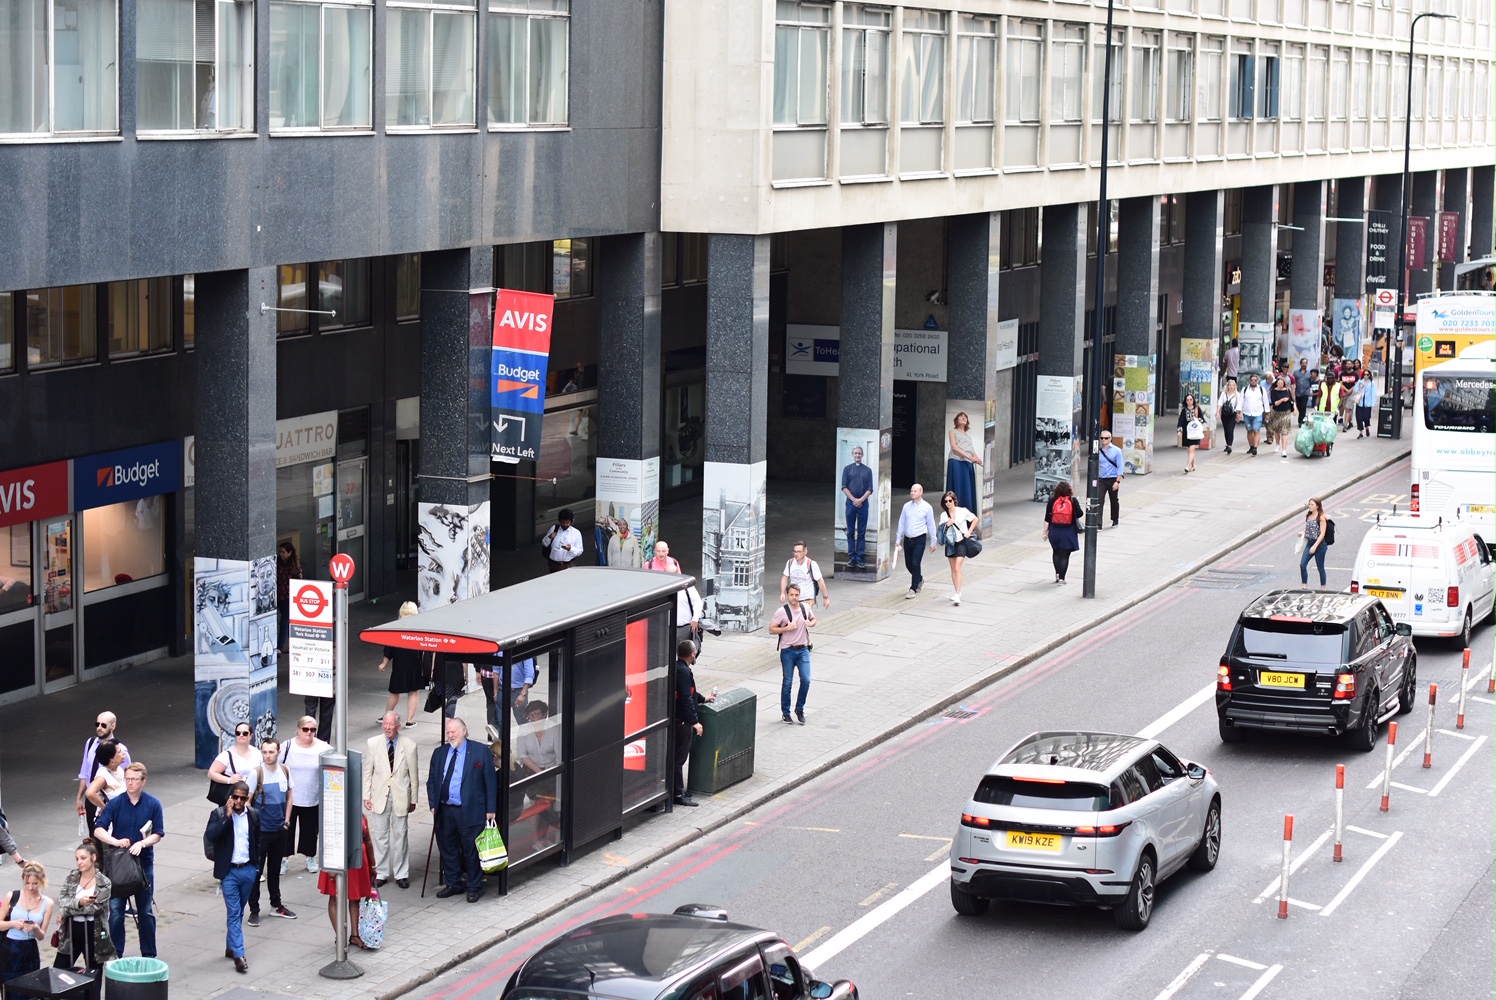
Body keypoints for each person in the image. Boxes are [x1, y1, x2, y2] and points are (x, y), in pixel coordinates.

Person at [91, 762, 163, 958]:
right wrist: (114, 841)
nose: (130, 783)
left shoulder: (153, 804)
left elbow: (158, 833)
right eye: (127, 779)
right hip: (119, 863)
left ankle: (149, 954)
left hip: (143, 862)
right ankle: (116, 954)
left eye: (134, 779)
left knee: (145, 911)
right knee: (115, 911)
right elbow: (99, 829)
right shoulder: (116, 803)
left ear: (143, 781)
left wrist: (143, 843)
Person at [427, 718, 497, 903]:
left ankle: (474, 886)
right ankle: (453, 883)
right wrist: (433, 804)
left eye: (454, 732)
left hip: (470, 810)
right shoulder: (440, 753)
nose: (450, 736)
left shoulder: (480, 751)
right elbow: (432, 781)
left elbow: (490, 781)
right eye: (448, 733)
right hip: (445, 809)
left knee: (471, 849)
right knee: (447, 848)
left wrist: (491, 808)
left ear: (464, 731)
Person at [205, 783, 259, 973]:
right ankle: (239, 955)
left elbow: (256, 841)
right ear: (230, 796)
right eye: (235, 797)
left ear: (247, 799)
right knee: (234, 913)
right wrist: (227, 816)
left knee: (239, 911)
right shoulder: (219, 814)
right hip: (229, 872)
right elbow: (211, 836)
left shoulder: (252, 815)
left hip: (248, 870)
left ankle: (231, 947)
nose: (238, 801)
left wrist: (255, 866)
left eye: (242, 798)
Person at [364, 712, 419, 890]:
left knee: (401, 836)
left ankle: (402, 874)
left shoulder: (409, 745)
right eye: (385, 724)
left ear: (398, 726)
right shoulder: (373, 743)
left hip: (400, 797)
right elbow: (368, 772)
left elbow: (414, 776)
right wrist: (367, 796)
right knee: (380, 836)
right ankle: (381, 873)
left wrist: (414, 799)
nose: (388, 727)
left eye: (391, 724)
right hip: (380, 796)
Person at [245, 741, 296, 923]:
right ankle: (254, 910)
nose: (268, 755)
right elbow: (247, 801)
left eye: (271, 752)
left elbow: (290, 797)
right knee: (256, 872)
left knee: (275, 870)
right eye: (265, 752)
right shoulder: (256, 773)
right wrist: (252, 826)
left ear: (278, 752)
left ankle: (276, 905)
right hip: (261, 832)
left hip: (279, 829)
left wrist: (287, 821)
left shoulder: (285, 771)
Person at [54, 841, 114, 973]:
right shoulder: (72, 877)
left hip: (95, 931)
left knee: (94, 973)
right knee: (58, 971)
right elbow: (62, 900)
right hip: (72, 929)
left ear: (93, 858)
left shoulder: (104, 882)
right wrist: (79, 902)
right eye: (77, 859)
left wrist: (66, 911)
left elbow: (95, 908)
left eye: (83, 858)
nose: (79, 862)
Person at [283, 716, 331, 875]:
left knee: (310, 830)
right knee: (286, 829)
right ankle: (284, 858)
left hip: (312, 796)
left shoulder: (322, 747)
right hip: (290, 797)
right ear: (298, 729)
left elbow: (333, 766)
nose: (309, 733)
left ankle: (310, 857)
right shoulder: (288, 746)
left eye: (312, 730)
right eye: (305, 729)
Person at [318, 818, 376, 950]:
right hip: (337, 857)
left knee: (355, 897)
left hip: (356, 858)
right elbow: (327, 840)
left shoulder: (361, 816)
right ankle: (340, 936)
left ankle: (354, 935)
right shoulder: (335, 812)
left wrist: (373, 865)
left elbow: (367, 841)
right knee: (335, 897)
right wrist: (330, 867)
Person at [672, 641, 716, 807]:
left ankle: (678, 790)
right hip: (681, 722)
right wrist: (694, 722)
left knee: (678, 757)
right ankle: (678, 793)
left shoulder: (680, 668)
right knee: (679, 758)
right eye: (695, 651)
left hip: (680, 720)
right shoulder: (683, 672)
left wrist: (703, 698)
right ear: (692, 654)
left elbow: (689, 692)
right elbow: (686, 698)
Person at [769, 585, 815, 725]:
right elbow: (771, 629)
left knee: (806, 679)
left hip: (803, 650)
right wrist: (786, 628)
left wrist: (811, 623)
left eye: (796, 594)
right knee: (788, 682)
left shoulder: (805, 608)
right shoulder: (782, 612)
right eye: (792, 595)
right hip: (788, 651)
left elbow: (814, 619)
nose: (794, 597)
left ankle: (799, 709)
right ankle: (786, 713)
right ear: (788, 596)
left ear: (800, 595)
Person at [0, 862, 53, 982]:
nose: (31, 887)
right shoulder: (12, 896)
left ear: (41, 881)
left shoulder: (48, 903)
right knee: (8, 986)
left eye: (35, 883)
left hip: (29, 949)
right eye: (27, 883)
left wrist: (35, 928)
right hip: (9, 947)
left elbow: (41, 936)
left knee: (29, 987)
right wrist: (13, 923)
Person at [377, 602, 426, 727]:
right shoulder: (419, 628)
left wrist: (384, 663)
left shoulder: (396, 627)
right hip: (414, 664)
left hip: (399, 664)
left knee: (394, 692)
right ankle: (409, 721)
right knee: (413, 692)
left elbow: (389, 647)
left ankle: (386, 716)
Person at [76, 712, 129, 826]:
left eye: (103, 725)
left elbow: (128, 776)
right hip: (92, 799)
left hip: (111, 799)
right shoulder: (90, 743)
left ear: (113, 726)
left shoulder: (120, 751)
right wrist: (79, 797)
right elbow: (84, 772)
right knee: (93, 833)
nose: (99, 728)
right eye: (97, 724)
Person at [894, 484, 939, 598]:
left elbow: (931, 525)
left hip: (920, 538)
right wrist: (898, 538)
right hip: (908, 538)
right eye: (911, 491)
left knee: (915, 562)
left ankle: (913, 588)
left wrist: (934, 541)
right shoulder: (906, 506)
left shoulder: (927, 507)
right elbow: (902, 522)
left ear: (921, 492)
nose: (912, 493)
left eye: (915, 491)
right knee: (908, 564)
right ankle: (919, 578)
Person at [938, 490, 977, 607]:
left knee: (957, 567)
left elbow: (975, 519)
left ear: (954, 501)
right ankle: (957, 591)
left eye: (950, 501)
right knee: (953, 569)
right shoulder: (944, 515)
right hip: (950, 544)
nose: (948, 503)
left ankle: (957, 593)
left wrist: (969, 532)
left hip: (961, 542)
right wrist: (947, 524)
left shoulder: (962, 511)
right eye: (946, 502)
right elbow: (941, 531)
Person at [1044, 480, 1084, 585]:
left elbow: (1047, 518)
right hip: (1068, 531)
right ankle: (1062, 578)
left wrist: (1045, 532)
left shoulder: (1052, 501)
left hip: (1054, 530)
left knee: (1056, 552)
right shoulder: (1072, 500)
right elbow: (1080, 514)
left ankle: (1057, 574)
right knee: (1065, 555)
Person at [840, 446, 874, 569]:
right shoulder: (847, 469)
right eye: (855, 453)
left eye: (859, 453)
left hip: (863, 504)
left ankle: (859, 557)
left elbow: (870, 489)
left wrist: (861, 500)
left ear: (862, 455)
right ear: (852, 454)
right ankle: (852, 557)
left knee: (861, 532)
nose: (857, 455)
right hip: (851, 504)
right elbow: (844, 487)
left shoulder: (868, 470)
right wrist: (854, 499)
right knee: (850, 531)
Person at [83, 740, 126, 834]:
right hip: (111, 828)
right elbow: (90, 793)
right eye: (119, 752)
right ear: (112, 761)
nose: (123, 753)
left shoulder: (119, 769)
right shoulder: (103, 775)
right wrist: (106, 808)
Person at [208, 722, 261, 796]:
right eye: (238, 733)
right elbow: (211, 773)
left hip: (254, 795)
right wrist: (229, 780)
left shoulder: (257, 753)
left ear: (251, 736)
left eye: (245, 733)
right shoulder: (227, 755)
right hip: (235, 797)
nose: (241, 735)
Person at [946, 412, 981, 516]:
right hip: (956, 461)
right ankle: (954, 514)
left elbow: (972, 450)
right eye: (961, 416)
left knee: (967, 489)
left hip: (967, 463)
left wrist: (977, 458)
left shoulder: (969, 437)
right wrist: (969, 457)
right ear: (957, 420)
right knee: (957, 487)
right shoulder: (953, 431)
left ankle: (967, 515)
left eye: (965, 417)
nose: (963, 418)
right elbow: (954, 447)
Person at [780, 542, 830, 610]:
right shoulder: (790, 562)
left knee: (804, 619)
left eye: (799, 552)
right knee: (794, 619)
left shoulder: (811, 564)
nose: (796, 554)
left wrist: (825, 597)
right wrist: (782, 593)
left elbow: (820, 581)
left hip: (807, 600)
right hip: (793, 599)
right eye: (794, 552)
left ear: (805, 552)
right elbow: (785, 578)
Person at [1298, 497, 1331, 590]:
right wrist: (1302, 532)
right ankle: (1304, 586)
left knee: (1320, 567)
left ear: (1317, 506)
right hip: (1310, 542)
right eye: (1309, 504)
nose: (1310, 506)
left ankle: (1323, 588)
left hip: (1320, 545)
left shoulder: (1321, 518)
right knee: (1302, 565)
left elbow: (1322, 533)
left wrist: (1315, 546)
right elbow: (1309, 527)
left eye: (1312, 504)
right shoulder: (1309, 516)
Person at [276, 541, 302, 653]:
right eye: (280, 552)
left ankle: (279, 647)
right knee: (287, 622)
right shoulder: (277, 563)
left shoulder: (294, 566)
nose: (281, 554)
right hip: (278, 596)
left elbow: (299, 582)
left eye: (283, 552)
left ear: (289, 553)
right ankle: (294, 645)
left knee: (284, 621)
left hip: (288, 598)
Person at [1239, 372, 1272, 456]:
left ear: (1258, 381)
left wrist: (1267, 412)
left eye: (1255, 380)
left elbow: (1265, 401)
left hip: (1258, 413)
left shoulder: (1261, 390)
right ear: (1249, 381)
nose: (1253, 381)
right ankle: (1251, 446)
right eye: (1252, 380)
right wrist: (1238, 411)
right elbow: (1241, 401)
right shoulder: (1245, 389)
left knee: (1256, 430)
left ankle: (1255, 448)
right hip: (1247, 413)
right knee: (1249, 430)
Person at [1097, 432, 1124, 527]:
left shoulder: (1117, 451)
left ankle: (1115, 518)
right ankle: (1098, 523)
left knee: (1114, 500)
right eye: (1102, 438)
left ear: (1110, 438)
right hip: (1101, 479)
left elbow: (1120, 467)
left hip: (1112, 478)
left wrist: (1117, 481)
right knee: (1099, 500)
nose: (1104, 440)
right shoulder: (1098, 451)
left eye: (1106, 438)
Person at [1269, 374, 1297, 459]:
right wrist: (1282, 400)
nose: (1280, 385)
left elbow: (1292, 401)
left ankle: (1284, 450)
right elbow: (1275, 403)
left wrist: (1295, 409)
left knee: (1284, 431)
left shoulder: (1287, 390)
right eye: (1279, 383)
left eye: (1282, 383)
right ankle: (1277, 445)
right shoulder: (1273, 391)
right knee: (1277, 430)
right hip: (1276, 412)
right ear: (1277, 383)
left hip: (1286, 412)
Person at [1177, 393, 1205, 473]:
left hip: (1195, 432)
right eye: (1187, 400)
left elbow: (1202, 419)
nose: (1189, 401)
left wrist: (1196, 419)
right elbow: (1181, 421)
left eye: (1191, 399)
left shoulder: (1197, 409)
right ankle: (1193, 465)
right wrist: (1179, 430)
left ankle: (1188, 466)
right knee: (1189, 449)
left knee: (1192, 449)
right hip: (1187, 432)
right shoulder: (1184, 410)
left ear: (1193, 400)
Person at [1216, 378, 1242, 456]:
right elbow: (1220, 403)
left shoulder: (1237, 395)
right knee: (1226, 429)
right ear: (1227, 386)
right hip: (1224, 413)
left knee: (1230, 429)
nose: (1231, 387)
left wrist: (1238, 414)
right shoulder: (1224, 394)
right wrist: (1218, 412)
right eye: (1230, 385)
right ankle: (1227, 444)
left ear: (1235, 386)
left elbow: (1239, 405)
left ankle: (1230, 445)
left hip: (1232, 413)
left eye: (1233, 385)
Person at [1353, 368, 1379, 438]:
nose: (1366, 376)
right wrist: (1360, 388)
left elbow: (1373, 394)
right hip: (1360, 403)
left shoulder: (1372, 383)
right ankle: (1360, 432)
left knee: (1366, 417)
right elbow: (1355, 390)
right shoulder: (1360, 381)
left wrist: (1373, 405)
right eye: (1364, 374)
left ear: (1370, 375)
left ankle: (1367, 428)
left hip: (1368, 404)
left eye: (1367, 374)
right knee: (1359, 418)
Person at [1294, 359, 1313, 424]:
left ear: (1307, 364)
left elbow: (1311, 382)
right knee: (1299, 406)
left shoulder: (1309, 373)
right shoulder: (1296, 373)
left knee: (1303, 406)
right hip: (1298, 392)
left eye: (1305, 363)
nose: (1304, 364)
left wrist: (1310, 391)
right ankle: (1303, 417)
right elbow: (1293, 382)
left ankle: (1301, 421)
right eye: (1302, 363)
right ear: (1300, 364)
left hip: (1305, 392)